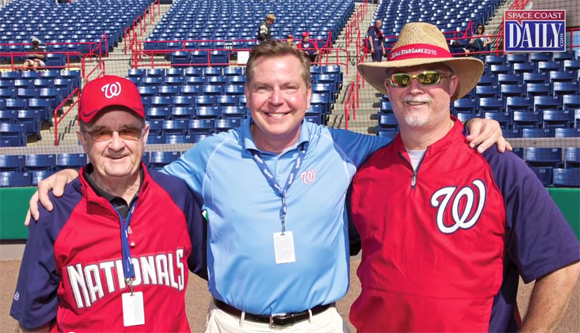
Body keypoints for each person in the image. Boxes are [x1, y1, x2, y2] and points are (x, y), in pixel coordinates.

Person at [28, 40, 510, 332]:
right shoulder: (211, 153)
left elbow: (421, 130)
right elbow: (134, 180)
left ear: (308, 92)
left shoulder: (347, 148)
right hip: (232, 323)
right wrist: (75, 174)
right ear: (246, 94)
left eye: (289, 88)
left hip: (318, 323)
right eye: (263, 87)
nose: (276, 100)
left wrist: (475, 125)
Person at [351, 22, 580, 332]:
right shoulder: (367, 171)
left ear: (452, 85)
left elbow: (562, 265)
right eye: (401, 78)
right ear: (388, 89)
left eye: (429, 77)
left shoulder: (497, 164)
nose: (414, 88)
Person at [11, 76, 207, 332]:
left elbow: (222, 269)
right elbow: (33, 322)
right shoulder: (53, 209)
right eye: (102, 132)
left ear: (144, 135)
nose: (117, 144)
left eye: (128, 131)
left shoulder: (176, 195)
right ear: (83, 138)